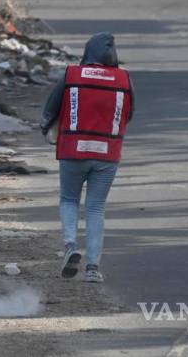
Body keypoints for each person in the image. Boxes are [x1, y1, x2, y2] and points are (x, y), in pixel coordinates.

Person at [39, 33, 133, 284]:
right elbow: (129, 114)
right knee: (95, 207)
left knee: (69, 199)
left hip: (73, 150)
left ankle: (70, 245)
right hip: (107, 154)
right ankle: (93, 268)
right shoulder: (124, 79)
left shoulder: (72, 75)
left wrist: (46, 128)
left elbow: (51, 108)